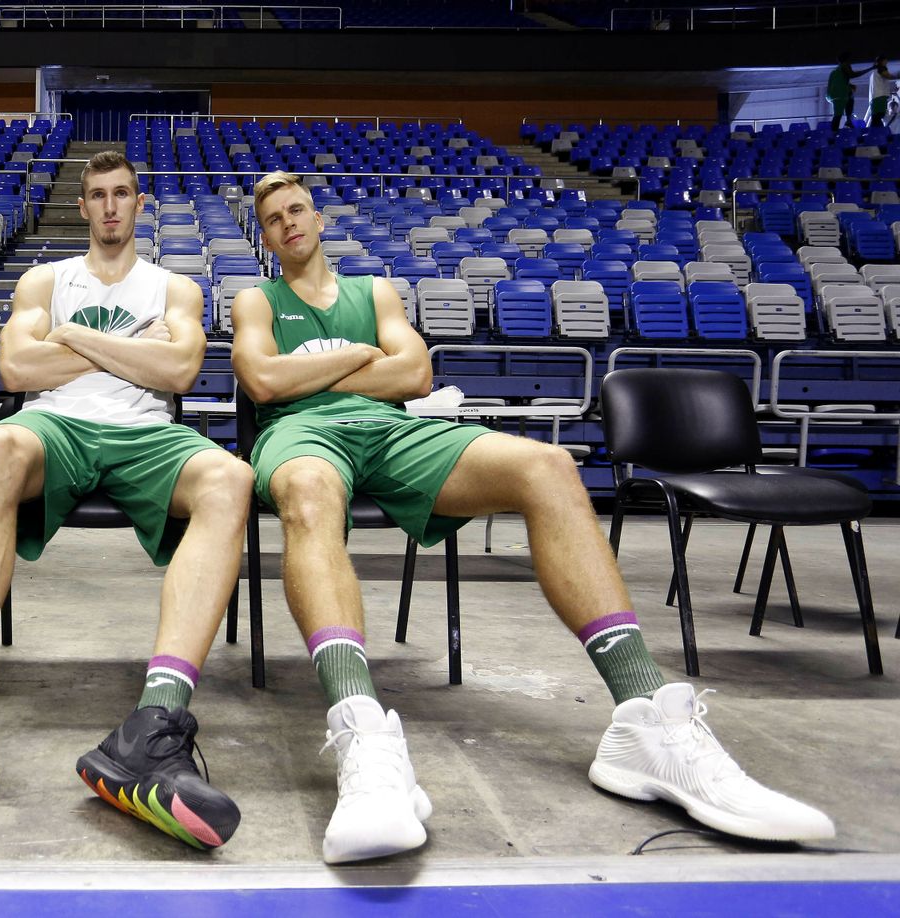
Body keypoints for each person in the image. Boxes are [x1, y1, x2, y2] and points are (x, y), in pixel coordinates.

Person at [230, 170, 837, 864]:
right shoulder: (257, 298)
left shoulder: (376, 292)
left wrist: (334, 368)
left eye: (297, 209)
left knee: (547, 466)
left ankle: (644, 723)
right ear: (268, 236)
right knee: (308, 490)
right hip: (301, 436)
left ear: (319, 217)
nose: (288, 223)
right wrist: (364, 355)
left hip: (394, 434)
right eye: (273, 218)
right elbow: (264, 383)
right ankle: (363, 734)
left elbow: (416, 376)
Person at [0, 150, 253, 860]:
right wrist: (119, 347)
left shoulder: (175, 287)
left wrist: (68, 337)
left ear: (141, 204)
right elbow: (19, 368)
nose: (110, 206)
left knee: (231, 479)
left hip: (147, 432)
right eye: (98, 195)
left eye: (123, 194)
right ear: (82, 207)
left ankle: (155, 725)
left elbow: (180, 368)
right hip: (57, 426)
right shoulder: (45, 278)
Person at [829, 52, 877, 131]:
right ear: (846, 60)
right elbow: (853, 74)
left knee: (848, 100)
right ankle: (836, 131)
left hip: (835, 94)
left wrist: (849, 85)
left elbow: (839, 82)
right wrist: (870, 69)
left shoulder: (836, 71)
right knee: (838, 115)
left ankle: (847, 122)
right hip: (838, 95)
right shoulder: (844, 66)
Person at [870, 58, 899, 129]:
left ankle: (877, 135)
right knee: (877, 117)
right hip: (879, 98)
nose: (887, 62)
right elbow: (888, 76)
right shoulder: (881, 69)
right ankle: (878, 135)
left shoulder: (874, 72)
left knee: (876, 118)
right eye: (885, 60)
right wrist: (898, 76)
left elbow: (881, 84)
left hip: (877, 98)